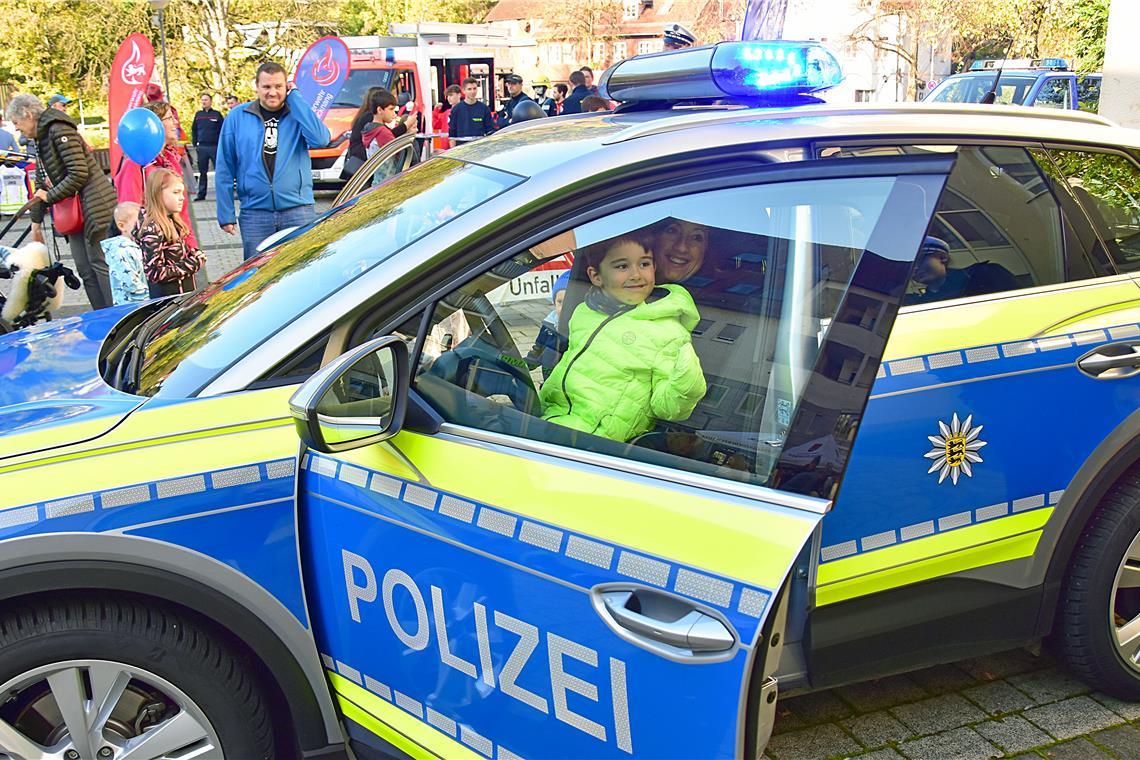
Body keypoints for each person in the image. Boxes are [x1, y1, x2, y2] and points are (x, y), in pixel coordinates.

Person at [539, 234, 706, 442]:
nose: (636, 274)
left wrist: (688, 386)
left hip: (595, 440)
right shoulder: (584, 312)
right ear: (596, 276)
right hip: (552, 416)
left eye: (644, 263)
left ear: (654, 268)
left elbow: (667, 408)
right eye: (622, 266)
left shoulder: (667, 332)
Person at [6, 93, 116, 310]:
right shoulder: (40, 137)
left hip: (93, 205)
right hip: (74, 210)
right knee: (84, 268)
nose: (17, 129)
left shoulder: (58, 129)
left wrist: (51, 195)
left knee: (98, 264)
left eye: (17, 123)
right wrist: (36, 222)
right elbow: (41, 180)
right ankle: (101, 317)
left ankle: (117, 317)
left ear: (28, 114)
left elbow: (79, 173)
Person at [215, 60, 331, 260]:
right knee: (256, 276)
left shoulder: (297, 114)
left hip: (298, 209)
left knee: (302, 270)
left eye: (278, 86)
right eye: (266, 87)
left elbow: (321, 139)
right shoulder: (237, 117)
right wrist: (225, 213)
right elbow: (225, 165)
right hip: (255, 213)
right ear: (257, 87)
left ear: (287, 86)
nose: (272, 92)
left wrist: (295, 98)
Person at [114, 101, 199, 253]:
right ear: (155, 125)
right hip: (155, 251)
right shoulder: (135, 165)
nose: (176, 123)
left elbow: (181, 212)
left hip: (177, 244)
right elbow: (130, 216)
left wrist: (190, 246)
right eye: (169, 118)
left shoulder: (170, 159)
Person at [134, 167, 204, 297]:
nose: (182, 198)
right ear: (158, 193)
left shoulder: (171, 220)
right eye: (176, 192)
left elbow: (174, 255)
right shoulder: (152, 228)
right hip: (168, 302)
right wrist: (192, 263)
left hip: (182, 296)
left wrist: (193, 253)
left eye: (182, 193)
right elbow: (154, 273)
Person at [904, 235, 1018, 304]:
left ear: (942, 258)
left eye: (919, 260)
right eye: (908, 266)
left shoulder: (986, 274)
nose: (914, 269)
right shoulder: (920, 304)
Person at [526, 269, 571, 379]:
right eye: (560, 302)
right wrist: (523, 365)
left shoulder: (581, 328)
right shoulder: (549, 325)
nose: (564, 307)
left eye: (569, 302)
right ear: (554, 302)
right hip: (549, 382)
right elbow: (538, 349)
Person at [101, 201, 147, 304]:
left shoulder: (135, 246)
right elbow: (131, 286)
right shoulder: (120, 251)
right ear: (122, 226)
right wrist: (152, 297)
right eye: (139, 222)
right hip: (132, 307)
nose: (144, 226)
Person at [345, 87, 388, 178]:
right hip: (362, 158)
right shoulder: (370, 117)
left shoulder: (363, 115)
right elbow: (387, 134)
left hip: (358, 156)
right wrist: (406, 126)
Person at [191, 94, 223, 201]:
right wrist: (195, 144)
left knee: (219, 171)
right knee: (202, 172)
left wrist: (221, 145)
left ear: (211, 101)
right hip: (202, 147)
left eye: (206, 100)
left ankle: (222, 194)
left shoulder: (217, 115)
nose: (204, 102)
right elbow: (194, 130)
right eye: (202, 100)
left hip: (214, 147)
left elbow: (222, 130)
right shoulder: (198, 115)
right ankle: (201, 194)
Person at [448, 77, 495, 142]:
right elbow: (452, 134)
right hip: (461, 148)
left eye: (474, 88)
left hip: (479, 147)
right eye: (469, 89)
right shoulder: (456, 109)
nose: (472, 92)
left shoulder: (484, 109)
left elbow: (490, 131)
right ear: (464, 91)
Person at [432, 85, 461, 150]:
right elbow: (436, 125)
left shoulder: (464, 111)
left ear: (459, 95)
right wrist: (436, 111)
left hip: (458, 147)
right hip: (446, 148)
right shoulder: (447, 113)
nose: (448, 98)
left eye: (451, 95)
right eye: (447, 96)